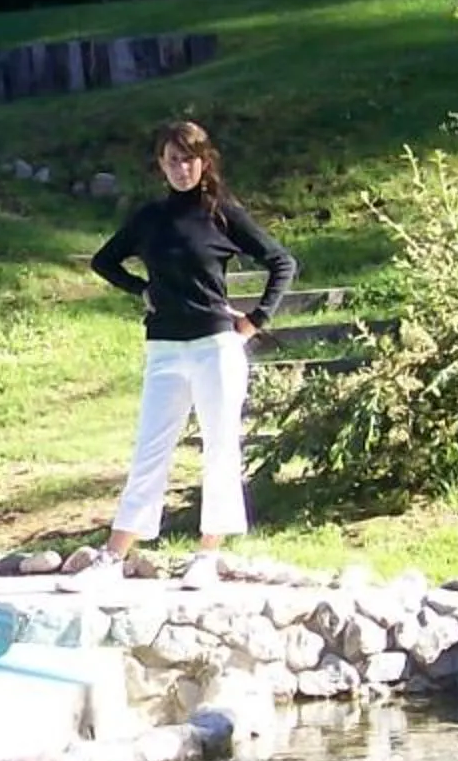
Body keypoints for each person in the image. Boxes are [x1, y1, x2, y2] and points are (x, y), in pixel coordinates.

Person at [74, 119, 297, 588]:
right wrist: (142, 290)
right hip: (164, 349)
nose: (182, 169)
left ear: (204, 161)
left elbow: (281, 261)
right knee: (149, 449)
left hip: (216, 347)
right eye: (173, 160)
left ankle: (206, 555)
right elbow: (104, 261)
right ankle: (112, 557)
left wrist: (257, 319)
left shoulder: (222, 214)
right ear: (161, 164)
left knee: (220, 446)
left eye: (190, 159)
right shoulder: (149, 218)